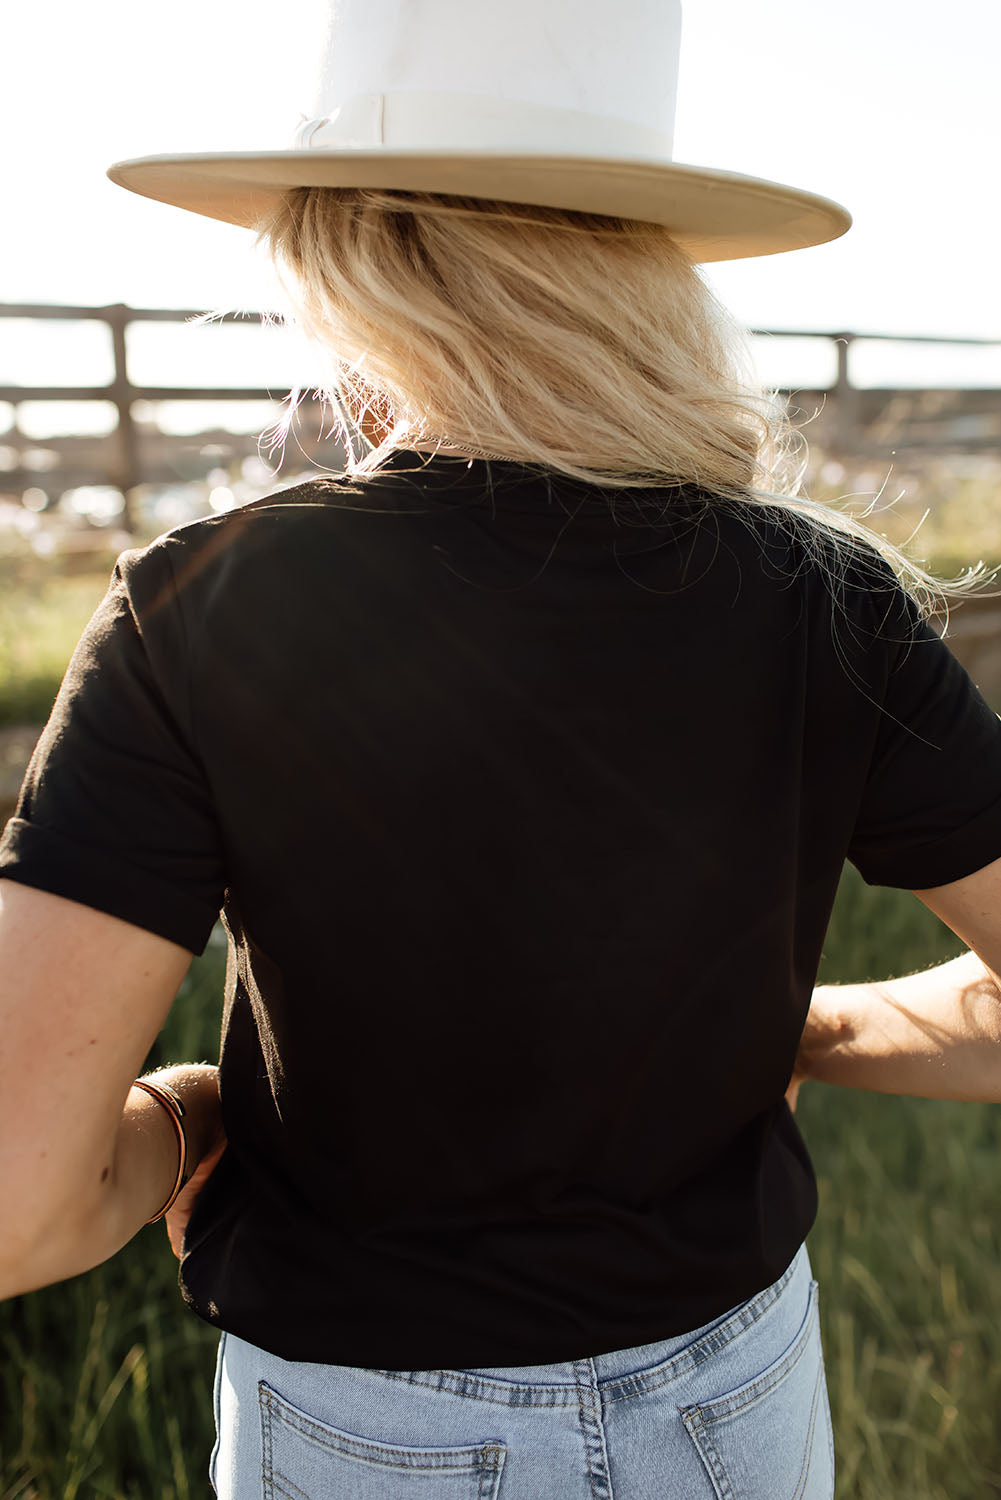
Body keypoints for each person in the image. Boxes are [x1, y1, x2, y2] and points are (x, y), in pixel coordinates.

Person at [2, 2, 1001, 1496]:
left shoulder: (197, 607)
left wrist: (193, 1107)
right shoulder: (820, 598)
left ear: (340, 257)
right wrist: (796, 1032)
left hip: (364, 1425)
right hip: (734, 1387)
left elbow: (23, 1205)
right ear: (645, 264)